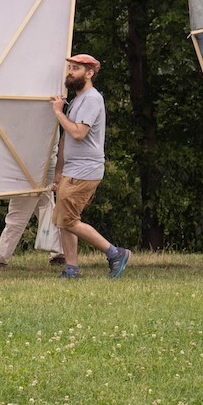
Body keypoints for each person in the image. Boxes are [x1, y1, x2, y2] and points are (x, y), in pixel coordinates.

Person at [49, 54, 132, 279]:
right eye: (70, 68)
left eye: (76, 68)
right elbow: (66, 137)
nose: (70, 73)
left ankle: (115, 253)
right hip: (72, 170)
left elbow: (77, 132)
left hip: (85, 170)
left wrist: (57, 112)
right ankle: (72, 269)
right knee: (62, 220)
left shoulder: (92, 99)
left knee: (68, 220)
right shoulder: (77, 100)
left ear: (89, 73)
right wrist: (58, 172)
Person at [0, 137, 58, 270]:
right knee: (49, 213)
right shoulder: (52, 118)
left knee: (17, 215)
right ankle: (60, 252)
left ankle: (1, 257)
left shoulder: (39, 121)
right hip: (43, 169)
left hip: (32, 172)